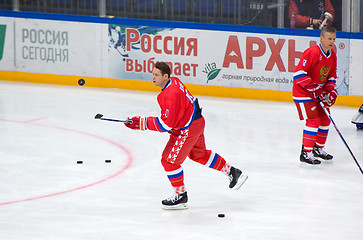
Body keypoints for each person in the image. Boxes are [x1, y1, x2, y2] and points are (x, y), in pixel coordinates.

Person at [124, 62, 248, 210]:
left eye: (156, 75)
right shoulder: (174, 82)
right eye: (153, 74)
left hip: (188, 128)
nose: (153, 77)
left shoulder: (171, 94)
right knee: (199, 154)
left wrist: (141, 123)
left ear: (166, 76)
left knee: (169, 161)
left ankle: (180, 194)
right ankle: (233, 172)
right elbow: (176, 117)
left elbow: (166, 125)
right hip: (196, 122)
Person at [292, 26, 338, 166]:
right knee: (314, 121)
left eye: (334, 39)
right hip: (303, 93)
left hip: (318, 94)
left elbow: (331, 76)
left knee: (325, 120)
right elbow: (298, 74)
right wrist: (312, 88)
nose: (332, 42)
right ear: (321, 38)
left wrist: (330, 91)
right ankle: (306, 152)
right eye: (329, 38)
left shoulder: (333, 55)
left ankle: (318, 148)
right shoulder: (311, 52)